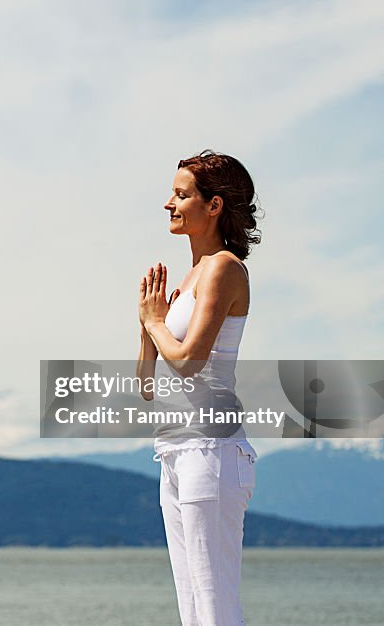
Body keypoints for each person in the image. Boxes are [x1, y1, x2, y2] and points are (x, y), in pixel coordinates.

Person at [135, 149, 261, 626]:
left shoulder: (225, 268)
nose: (169, 203)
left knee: (214, 608)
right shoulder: (186, 279)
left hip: (212, 452)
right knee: (192, 611)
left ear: (213, 206)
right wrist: (147, 322)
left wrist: (157, 323)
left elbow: (189, 361)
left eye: (182, 194)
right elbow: (146, 384)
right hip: (173, 450)